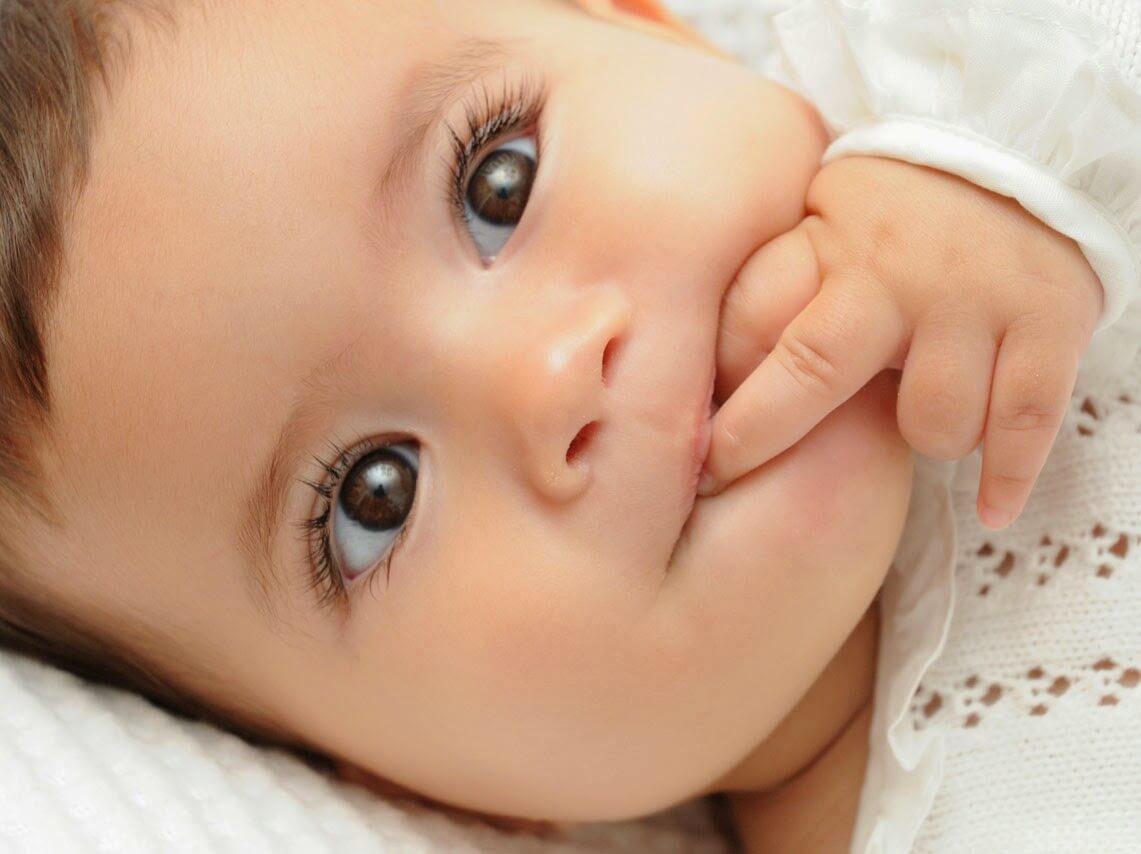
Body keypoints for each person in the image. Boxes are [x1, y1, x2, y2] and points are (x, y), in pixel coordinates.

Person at [0, 0, 1135, 851]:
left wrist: (1004, 166)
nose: (546, 380)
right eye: (373, 495)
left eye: (496, 181)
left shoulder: (964, 68)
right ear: (400, 780)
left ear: (648, 24)